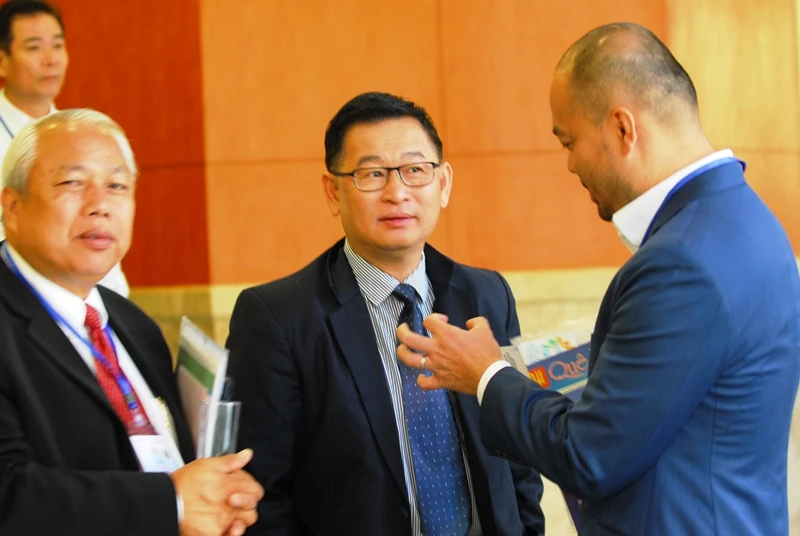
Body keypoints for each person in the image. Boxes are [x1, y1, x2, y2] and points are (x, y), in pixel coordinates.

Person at [397, 22, 800, 535]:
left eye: (569, 142)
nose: (569, 165)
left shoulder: (680, 264)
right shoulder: (749, 219)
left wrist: (486, 374)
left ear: (623, 129)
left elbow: (590, 455)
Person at [226, 91, 546, 535]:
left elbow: (517, 453)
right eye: (372, 174)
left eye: (415, 170)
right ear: (333, 191)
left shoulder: (487, 295)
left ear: (443, 183)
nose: (397, 193)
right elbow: (262, 493)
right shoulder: (277, 319)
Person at [0, 108, 264, 536]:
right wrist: (172, 502)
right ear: (12, 206)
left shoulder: (133, 324)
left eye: (117, 186)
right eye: (72, 183)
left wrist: (218, 499)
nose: (100, 206)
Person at [0, 0, 129, 295]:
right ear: (3, 60)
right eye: (34, 47)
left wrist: (116, 303)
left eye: (57, 46)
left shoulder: (83, 136)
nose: (51, 59)